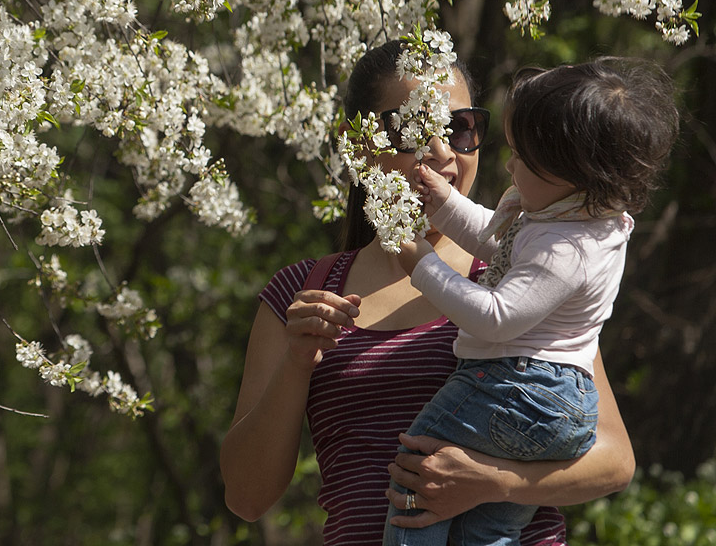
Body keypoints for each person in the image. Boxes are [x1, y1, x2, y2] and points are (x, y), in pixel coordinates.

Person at [220, 40, 637, 546]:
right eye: (409, 129)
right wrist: (296, 362)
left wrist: (495, 483)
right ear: (358, 145)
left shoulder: (525, 268)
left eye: (457, 127)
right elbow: (246, 497)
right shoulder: (302, 293)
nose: (440, 152)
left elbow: (613, 461)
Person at [383, 58, 679, 546]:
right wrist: (442, 201)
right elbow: (498, 244)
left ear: (574, 171)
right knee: (489, 525)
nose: (509, 164)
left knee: (418, 477)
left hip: (517, 388)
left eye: (524, 158)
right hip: (555, 404)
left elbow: (495, 316)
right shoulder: (572, 215)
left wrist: (421, 264)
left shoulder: (568, 247)